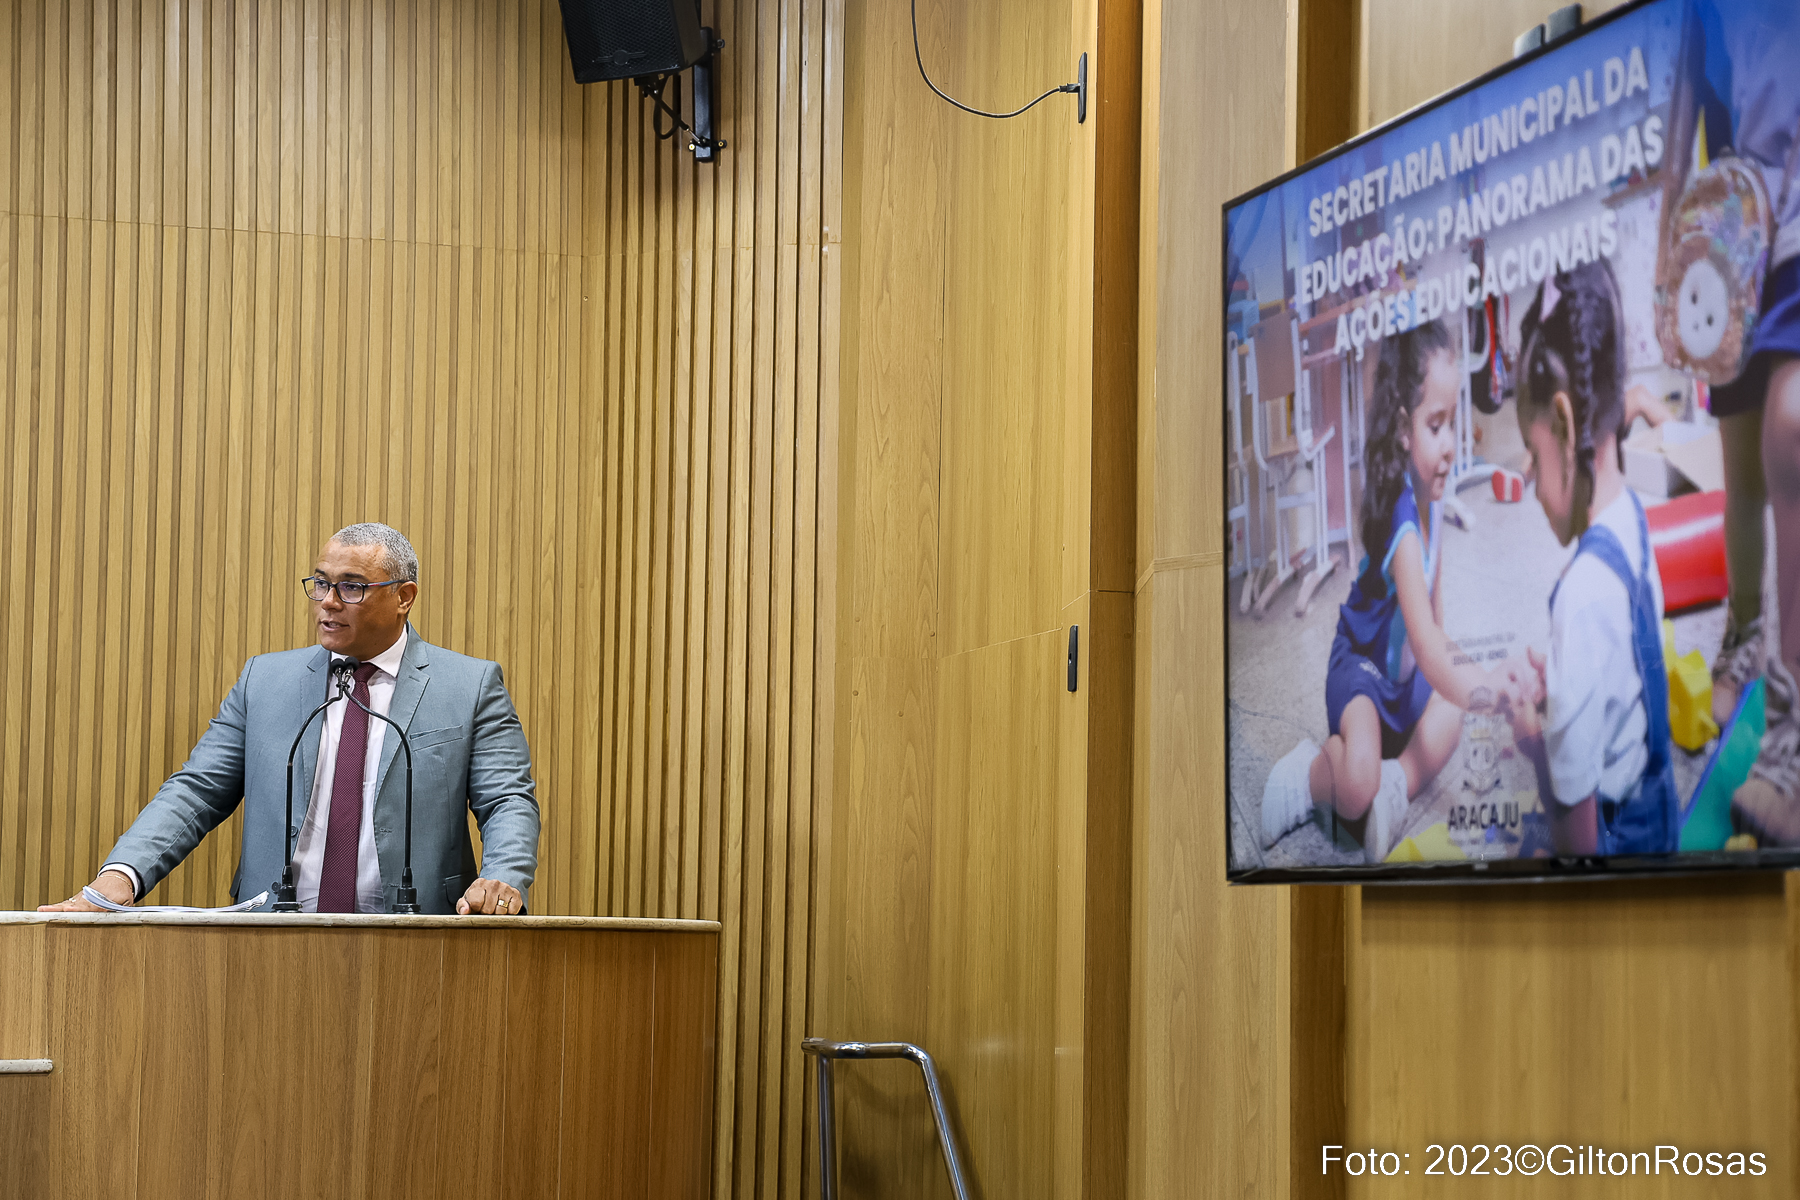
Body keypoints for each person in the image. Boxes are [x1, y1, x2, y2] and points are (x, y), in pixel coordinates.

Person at [40, 523, 540, 915]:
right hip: (273, 938)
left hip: (418, 938)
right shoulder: (264, 681)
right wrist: (121, 876)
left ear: (404, 597)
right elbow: (196, 790)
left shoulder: (469, 686)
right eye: (321, 583)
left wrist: (503, 876)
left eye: (351, 587)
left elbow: (507, 799)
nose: (328, 602)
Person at [1262, 319, 1519, 862]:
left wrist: (1477, 685)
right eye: (1436, 426)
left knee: (1455, 708)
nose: (1450, 445)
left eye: (1453, 423)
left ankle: (1397, 783)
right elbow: (1425, 642)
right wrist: (1491, 694)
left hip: (1405, 685)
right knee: (1357, 785)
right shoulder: (1402, 518)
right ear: (1403, 429)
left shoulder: (1436, 502)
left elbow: (1438, 633)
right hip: (1363, 673)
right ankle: (1309, 776)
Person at [1508, 262, 1680, 855]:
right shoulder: (1632, 514)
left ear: (1563, 423)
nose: (1530, 481)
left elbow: (1576, 847)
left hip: (1617, 849)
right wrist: (1566, 686)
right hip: (1660, 820)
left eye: (1532, 454)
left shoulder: (1579, 599)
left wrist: (1534, 744)